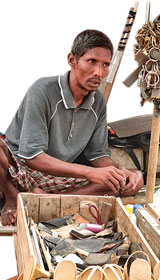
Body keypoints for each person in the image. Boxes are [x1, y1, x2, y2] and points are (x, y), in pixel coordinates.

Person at [0, 29, 143, 226]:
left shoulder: (98, 103)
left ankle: (46, 199)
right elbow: (32, 156)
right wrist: (89, 172)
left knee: (121, 184)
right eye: (92, 61)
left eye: (105, 65)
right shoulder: (42, 90)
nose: (98, 73)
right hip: (20, 168)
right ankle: (12, 198)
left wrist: (131, 175)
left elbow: (99, 157)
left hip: (59, 177)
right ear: (72, 60)